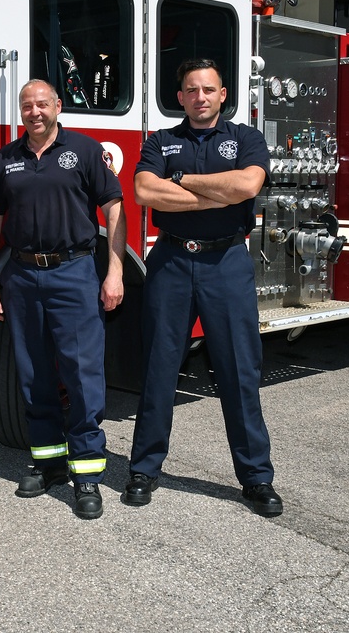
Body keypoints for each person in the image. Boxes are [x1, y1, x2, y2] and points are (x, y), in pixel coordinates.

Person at [123, 58, 283, 517]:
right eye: (191, 90)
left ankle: (256, 478)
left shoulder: (246, 139)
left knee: (238, 370)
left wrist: (182, 181)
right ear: (181, 98)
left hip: (226, 261)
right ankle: (143, 469)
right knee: (158, 366)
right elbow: (144, 193)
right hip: (171, 259)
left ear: (222, 94)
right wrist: (219, 192)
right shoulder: (160, 141)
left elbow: (247, 184)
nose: (200, 97)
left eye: (208, 90)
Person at [0, 79, 126, 520]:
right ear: (20, 112)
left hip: (74, 272)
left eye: (43, 104)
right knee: (33, 373)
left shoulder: (83, 150)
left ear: (58, 106)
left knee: (81, 374)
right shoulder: (6, 159)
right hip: (21, 275)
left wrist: (114, 271)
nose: (35, 112)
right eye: (28, 105)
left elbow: (114, 206)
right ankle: (48, 464)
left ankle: (87, 477)